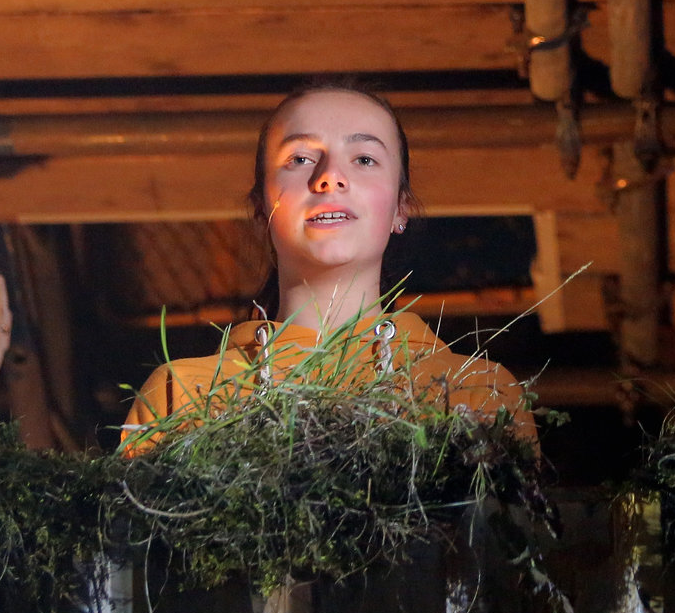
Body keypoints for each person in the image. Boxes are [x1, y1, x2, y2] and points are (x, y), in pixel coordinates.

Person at [121, 82, 532, 452]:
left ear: (400, 207)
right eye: (300, 158)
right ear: (262, 206)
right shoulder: (184, 393)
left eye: (365, 159)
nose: (330, 177)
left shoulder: (476, 391)